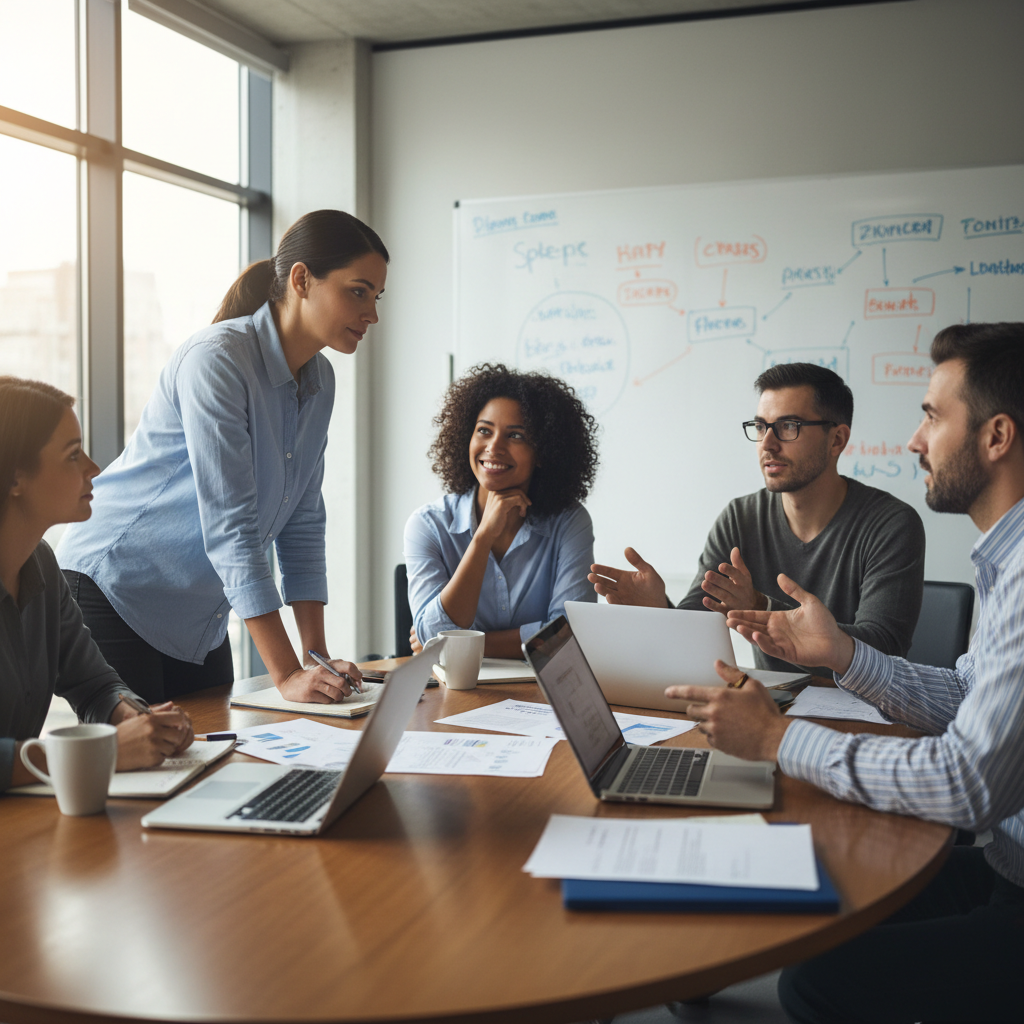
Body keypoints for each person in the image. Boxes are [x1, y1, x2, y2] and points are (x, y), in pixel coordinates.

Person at [667, 323, 1024, 1024]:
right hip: (1006, 864)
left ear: (997, 436)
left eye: (930, 415)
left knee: (815, 983)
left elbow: (968, 783)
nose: (916, 441)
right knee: (807, 893)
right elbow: (968, 695)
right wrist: (843, 656)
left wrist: (777, 743)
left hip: (1013, 875)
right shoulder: (1005, 562)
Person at [58, 210, 388, 705]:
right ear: (301, 279)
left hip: (195, 615)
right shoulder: (217, 359)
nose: (372, 314)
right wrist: (285, 675)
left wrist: (314, 657)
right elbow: (232, 525)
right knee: (146, 767)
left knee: (212, 756)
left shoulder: (321, 381)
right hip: (116, 587)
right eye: (358, 291)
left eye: (376, 297)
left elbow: (302, 520)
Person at [589, 362, 925, 675]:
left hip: (861, 711)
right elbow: (698, 622)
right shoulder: (739, 518)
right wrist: (660, 611)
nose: (767, 444)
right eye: (761, 426)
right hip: (771, 705)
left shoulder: (890, 524)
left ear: (836, 439)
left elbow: (884, 647)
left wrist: (761, 605)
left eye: (788, 427)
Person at [1, 378, 193, 792]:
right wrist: (99, 752)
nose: (94, 469)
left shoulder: (42, 564)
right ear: (16, 478)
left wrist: (139, 724)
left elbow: (94, 684)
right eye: (73, 455)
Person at [405, 363, 599, 659]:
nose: (493, 447)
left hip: (540, 694)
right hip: (454, 694)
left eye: (516, 435)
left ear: (543, 452)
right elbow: (433, 635)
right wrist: (482, 537)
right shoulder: (427, 525)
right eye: (484, 430)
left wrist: (462, 644)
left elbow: (570, 635)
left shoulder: (569, 523)